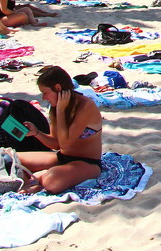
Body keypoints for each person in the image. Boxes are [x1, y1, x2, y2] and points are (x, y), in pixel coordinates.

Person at [19, 66, 103, 194]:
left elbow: (65, 143)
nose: (43, 98)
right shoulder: (55, 106)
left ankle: (37, 178)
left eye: (45, 93)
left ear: (58, 88)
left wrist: (60, 110)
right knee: (10, 157)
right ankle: (36, 178)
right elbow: (56, 144)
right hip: (61, 158)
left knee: (51, 180)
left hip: (87, 163)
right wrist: (36, 133)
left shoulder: (85, 106)